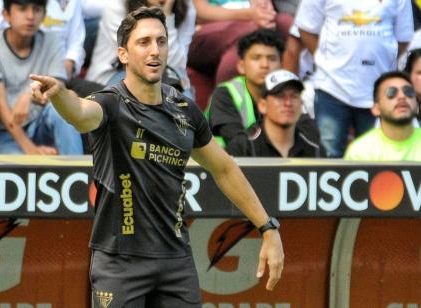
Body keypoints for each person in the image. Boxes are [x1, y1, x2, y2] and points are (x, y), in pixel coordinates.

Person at [29, 7, 284, 307]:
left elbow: (224, 168)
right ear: (123, 54)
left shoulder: (185, 111)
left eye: (161, 42)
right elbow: (80, 114)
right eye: (144, 42)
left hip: (176, 261)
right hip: (119, 263)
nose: (155, 51)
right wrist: (59, 93)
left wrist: (267, 227)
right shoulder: (110, 105)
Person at [295, 0, 414, 158]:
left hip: (380, 91)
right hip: (331, 86)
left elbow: (403, 38)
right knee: (328, 157)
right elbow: (306, 28)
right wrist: (327, 62)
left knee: (377, 158)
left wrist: (381, 62)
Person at [0, 0, 83, 155]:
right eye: (22, 9)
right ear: (6, 15)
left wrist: (28, 97)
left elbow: (59, 89)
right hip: (7, 133)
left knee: (60, 108)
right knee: (20, 167)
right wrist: (30, 149)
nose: (30, 16)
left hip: (40, 124)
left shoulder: (53, 40)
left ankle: (78, 174)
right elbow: (1, 105)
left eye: (37, 9)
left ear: (44, 15)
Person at [86, 0, 196, 97]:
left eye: (161, 42)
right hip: (116, 73)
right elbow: (134, 57)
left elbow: (175, 64)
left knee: (183, 97)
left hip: (164, 73)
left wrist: (167, 15)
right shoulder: (118, 4)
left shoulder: (186, 7)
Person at [187, 0, 293, 84]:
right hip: (208, 28)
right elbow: (201, 13)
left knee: (288, 24)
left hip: (251, 18)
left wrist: (264, 9)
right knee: (246, 35)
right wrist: (249, 15)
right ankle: (224, 104)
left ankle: (291, 88)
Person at [235, 69, 324, 157]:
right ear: (262, 105)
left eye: (294, 96)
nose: (288, 103)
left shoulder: (314, 145)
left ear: (301, 104)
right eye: (280, 96)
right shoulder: (243, 146)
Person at [344, 71, 421, 160]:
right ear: (376, 109)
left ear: (417, 107)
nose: (402, 96)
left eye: (408, 92)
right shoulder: (359, 151)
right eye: (391, 92)